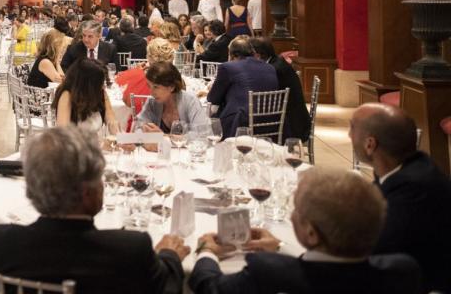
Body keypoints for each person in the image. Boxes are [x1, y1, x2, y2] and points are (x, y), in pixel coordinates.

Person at [0, 127, 187, 294]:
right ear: (88, 192)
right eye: (100, 179)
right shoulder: (131, 249)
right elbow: (167, 287)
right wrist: (169, 255)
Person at [190, 168, 420, 294]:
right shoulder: (402, 270)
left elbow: (210, 288)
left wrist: (207, 252)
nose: (291, 216)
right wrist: (281, 246)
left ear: (311, 233)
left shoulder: (269, 270)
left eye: (297, 210)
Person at [350, 104, 451, 293]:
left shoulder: (415, 188)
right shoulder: (407, 166)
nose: (349, 135)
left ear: (370, 144)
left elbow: (372, 250)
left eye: (352, 127)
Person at [206, 37, 279, 138]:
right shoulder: (270, 67)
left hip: (241, 123)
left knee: (211, 117)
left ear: (232, 55)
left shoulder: (228, 67)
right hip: (272, 120)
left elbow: (213, 98)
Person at [250, 37, 311, 141]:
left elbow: (264, 98)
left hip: (291, 126)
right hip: (293, 117)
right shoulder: (276, 62)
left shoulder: (274, 69)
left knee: (245, 120)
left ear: (257, 55)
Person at [136, 62, 209, 134]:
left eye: (156, 87)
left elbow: (202, 135)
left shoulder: (191, 102)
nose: (151, 92)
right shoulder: (152, 102)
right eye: (149, 86)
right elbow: (139, 127)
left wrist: (163, 137)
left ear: (171, 87)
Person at [53, 58, 119, 134]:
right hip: (75, 144)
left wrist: (116, 133)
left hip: (96, 143)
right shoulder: (67, 96)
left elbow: (110, 118)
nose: (103, 87)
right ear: (87, 84)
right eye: (99, 83)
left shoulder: (100, 92)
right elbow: (63, 134)